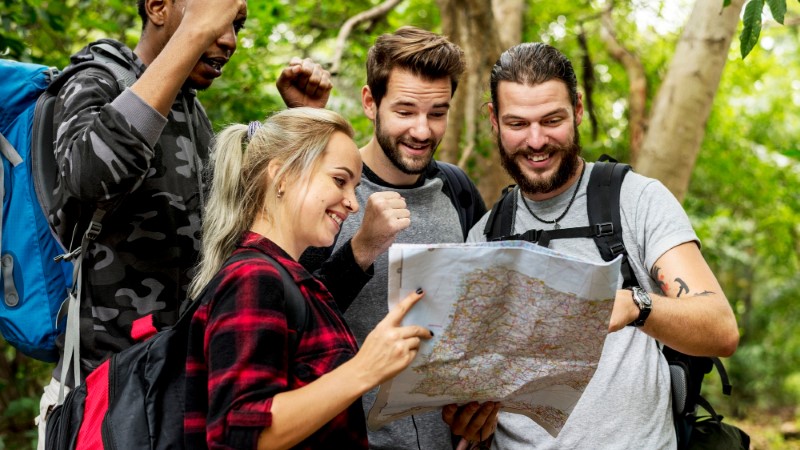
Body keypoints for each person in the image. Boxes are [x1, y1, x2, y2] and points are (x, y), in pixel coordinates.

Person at [36, 0, 331, 445]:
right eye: (218, 19)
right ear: (158, 7)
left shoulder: (193, 114)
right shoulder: (96, 79)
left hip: (176, 391)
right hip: (105, 396)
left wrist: (299, 124)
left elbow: (246, 243)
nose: (229, 40)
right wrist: (192, 35)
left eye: (237, 26)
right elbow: (88, 178)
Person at [466, 42, 740, 448]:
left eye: (552, 120)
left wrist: (634, 305)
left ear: (577, 109)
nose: (536, 140)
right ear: (494, 120)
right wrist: (468, 417)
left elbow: (721, 328)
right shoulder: (484, 236)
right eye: (518, 124)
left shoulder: (636, 199)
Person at [183, 107, 433, 449]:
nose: (352, 203)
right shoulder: (253, 277)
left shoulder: (288, 277)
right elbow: (236, 433)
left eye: (354, 186)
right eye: (339, 180)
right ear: (282, 175)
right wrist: (364, 369)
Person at [300, 26, 498, 450]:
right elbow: (289, 319)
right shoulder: (328, 189)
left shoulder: (458, 190)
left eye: (437, 113)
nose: (423, 131)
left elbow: (483, 312)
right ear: (370, 103)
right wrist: (361, 249)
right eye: (405, 111)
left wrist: (477, 416)